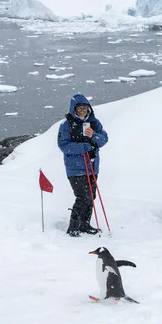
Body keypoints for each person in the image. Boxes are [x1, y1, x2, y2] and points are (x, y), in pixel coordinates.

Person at [57, 93, 109, 237]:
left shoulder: (94, 123)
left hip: (92, 166)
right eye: (79, 108)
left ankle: (85, 224)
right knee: (83, 196)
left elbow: (104, 140)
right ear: (74, 109)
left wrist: (94, 136)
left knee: (91, 196)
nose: (82, 111)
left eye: (85, 108)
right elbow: (63, 146)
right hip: (75, 168)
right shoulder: (66, 125)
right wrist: (84, 147)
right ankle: (73, 227)